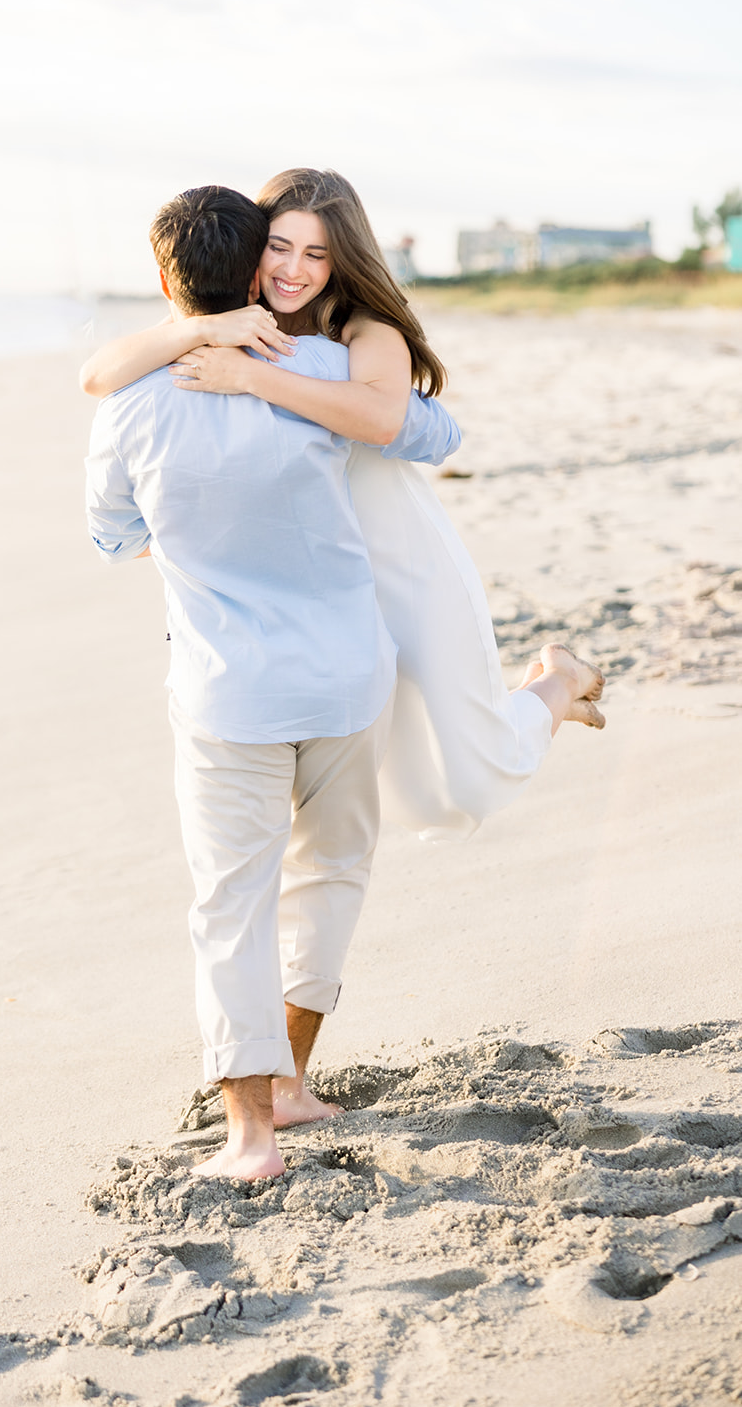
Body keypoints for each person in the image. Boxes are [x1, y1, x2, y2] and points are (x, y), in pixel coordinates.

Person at [85, 185, 461, 1180]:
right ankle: (292, 1078)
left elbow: (112, 534)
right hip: (343, 676)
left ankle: (249, 1132)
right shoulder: (325, 366)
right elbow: (430, 435)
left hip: (224, 691)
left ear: (164, 280)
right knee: (328, 874)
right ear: (255, 266)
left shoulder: (131, 401)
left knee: (230, 903)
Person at [81, 167, 605, 843]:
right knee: (411, 792)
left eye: (316, 253)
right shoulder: (223, 323)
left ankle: (558, 683)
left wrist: (252, 376)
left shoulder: (362, 329)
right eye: (278, 246)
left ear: (341, 259)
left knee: (474, 774)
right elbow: (97, 376)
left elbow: (385, 420)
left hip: (402, 561)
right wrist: (196, 333)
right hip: (315, 575)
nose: (292, 269)